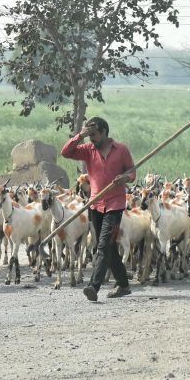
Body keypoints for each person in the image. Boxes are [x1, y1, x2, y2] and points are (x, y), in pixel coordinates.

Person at [60, 117, 136, 302]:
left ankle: (93, 286)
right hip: (95, 204)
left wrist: (124, 178)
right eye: (89, 135)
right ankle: (123, 284)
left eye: (93, 134)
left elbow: (132, 173)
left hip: (115, 205)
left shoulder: (121, 150)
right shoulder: (87, 150)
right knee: (107, 247)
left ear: (103, 132)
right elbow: (66, 153)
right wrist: (80, 135)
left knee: (103, 246)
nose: (91, 138)